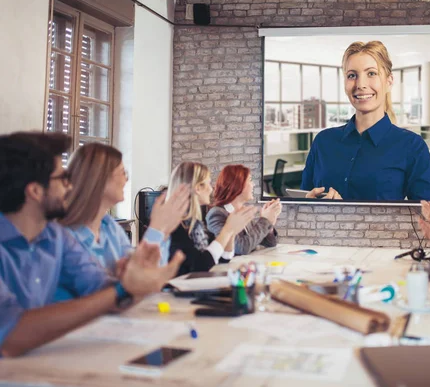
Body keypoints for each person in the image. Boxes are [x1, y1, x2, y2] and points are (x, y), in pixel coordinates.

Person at [0, 132, 185, 357]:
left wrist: (136, 281)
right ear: (35, 191)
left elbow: (98, 286)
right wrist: (125, 288)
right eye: (62, 178)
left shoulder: (55, 236)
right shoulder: (62, 234)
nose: (70, 186)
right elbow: (9, 336)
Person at [300, 40, 430, 201]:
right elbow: (302, 201)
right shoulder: (323, 142)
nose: (361, 84)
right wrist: (308, 203)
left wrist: (344, 212)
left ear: (389, 81)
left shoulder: (412, 146)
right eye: (352, 75)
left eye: (371, 73)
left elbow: (429, 218)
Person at [60, 143, 180, 277]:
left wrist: (163, 231)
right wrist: (157, 229)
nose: (126, 179)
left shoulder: (109, 226)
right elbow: (136, 280)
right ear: (100, 178)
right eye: (123, 172)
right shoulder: (64, 235)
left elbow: (147, 276)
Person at [167, 162, 258, 275]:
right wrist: (228, 229)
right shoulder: (175, 226)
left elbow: (223, 258)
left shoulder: (195, 223)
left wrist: (232, 232)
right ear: (198, 188)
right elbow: (201, 265)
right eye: (209, 183)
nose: (211, 189)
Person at [206, 164, 281, 255]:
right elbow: (240, 248)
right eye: (250, 180)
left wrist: (270, 222)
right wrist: (265, 220)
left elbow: (270, 243)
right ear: (237, 185)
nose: (253, 184)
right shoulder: (217, 214)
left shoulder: (242, 211)